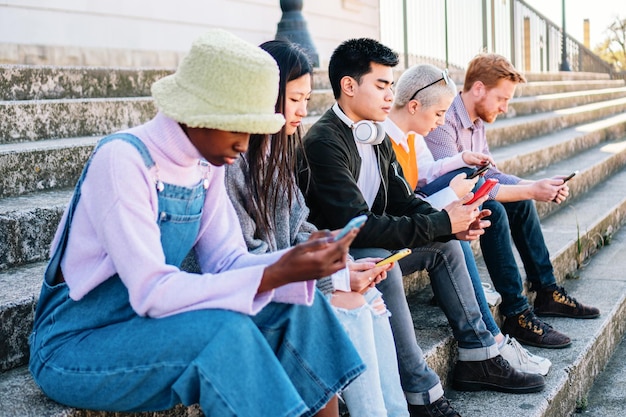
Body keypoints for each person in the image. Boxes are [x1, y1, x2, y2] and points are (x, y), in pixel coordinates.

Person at [28, 29, 366, 417]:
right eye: (238, 127)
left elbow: (227, 262)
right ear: (200, 114)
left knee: (300, 304)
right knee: (225, 334)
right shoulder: (123, 159)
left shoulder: (207, 166)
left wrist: (294, 265)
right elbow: (151, 290)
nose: (245, 143)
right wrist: (273, 274)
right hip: (76, 346)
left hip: (152, 330)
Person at [298, 37, 545, 417]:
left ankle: (479, 353)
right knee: (387, 263)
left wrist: (452, 228)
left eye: (391, 86)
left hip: (369, 241)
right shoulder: (324, 141)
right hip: (340, 252)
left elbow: (403, 201)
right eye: (381, 85)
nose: (389, 96)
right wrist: (442, 220)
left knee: (447, 247)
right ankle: (420, 392)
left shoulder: (374, 132)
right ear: (349, 86)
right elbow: (358, 227)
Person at [225, 39, 409, 417]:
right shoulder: (231, 161)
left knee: (371, 300)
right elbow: (243, 258)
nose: (301, 112)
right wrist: (335, 280)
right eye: (294, 100)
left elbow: (298, 225)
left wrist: (340, 265)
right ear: (264, 95)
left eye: (306, 100)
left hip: (285, 278)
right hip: (250, 292)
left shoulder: (278, 151)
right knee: (354, 306)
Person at [382, 63, 551, 376]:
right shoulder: (381, 142)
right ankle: (493, 340)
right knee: (454, 236)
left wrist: (462, 161)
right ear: (415, 106)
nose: (442, 122)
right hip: (395, 234)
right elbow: (399, 210)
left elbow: (427, 173)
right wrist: (451, 200)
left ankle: (526, 306)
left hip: (415, 219)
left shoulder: (413, 139)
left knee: (499, 203)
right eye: (438, 115)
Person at [424, 53, 600, 349]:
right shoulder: (444, 119)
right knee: (494, 209)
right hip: (436, 207)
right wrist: (532, 189)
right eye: (501, 99)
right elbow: (462, 186)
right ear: (478, 89)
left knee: (520, 202)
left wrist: (535, 186)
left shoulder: (476, 121)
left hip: (463, 199)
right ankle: (516, 314)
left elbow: (491, 174)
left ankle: (546, 291)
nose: (505, 108)